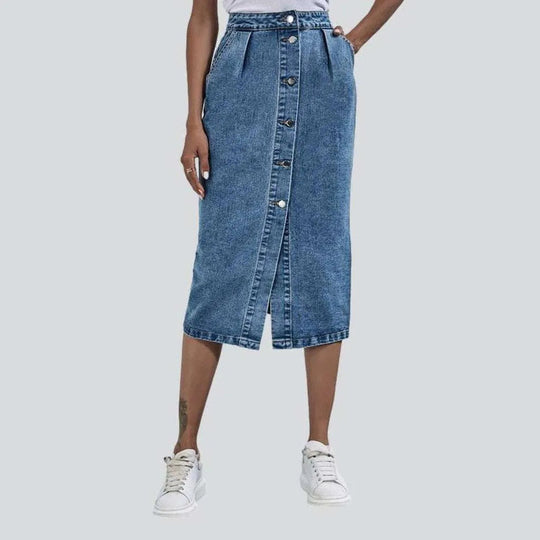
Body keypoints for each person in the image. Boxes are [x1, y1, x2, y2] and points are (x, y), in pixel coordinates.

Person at [153, 0, 403, 516]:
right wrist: (192, 119)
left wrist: (352, 42)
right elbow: (203, 16)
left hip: (320, 71)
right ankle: (185, 450)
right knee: (221, 255)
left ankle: (320, 446)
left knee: (320, 248)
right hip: (241, 71)